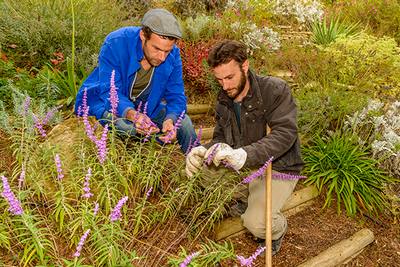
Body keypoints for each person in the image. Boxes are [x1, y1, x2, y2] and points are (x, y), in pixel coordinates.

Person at [185, 40, 304, 255]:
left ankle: (278, 229)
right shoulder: (224, 99)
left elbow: (285, 134)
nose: (225, 86)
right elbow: (221, 138)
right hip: (242, 163)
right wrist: (202, 150)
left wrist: (245, 154)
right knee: (195, 172)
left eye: (230, 77)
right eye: (219, 80)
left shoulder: (274, 90)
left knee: (257, 224)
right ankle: (244, 197)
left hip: (277, 167)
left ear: (245, 66)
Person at [74, 8, 197, 153]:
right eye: (157, 49)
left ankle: (197, 165)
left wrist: (170, 120)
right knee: (126, 128)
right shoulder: (116, 43)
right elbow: (110, 91)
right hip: (105, 102)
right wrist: (132, 114)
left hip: (146, 107)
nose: (162, 57)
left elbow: (176, 96)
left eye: (167, 51)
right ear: (143, 35)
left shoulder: (173, 55)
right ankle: (144, 145)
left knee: (185, 123)